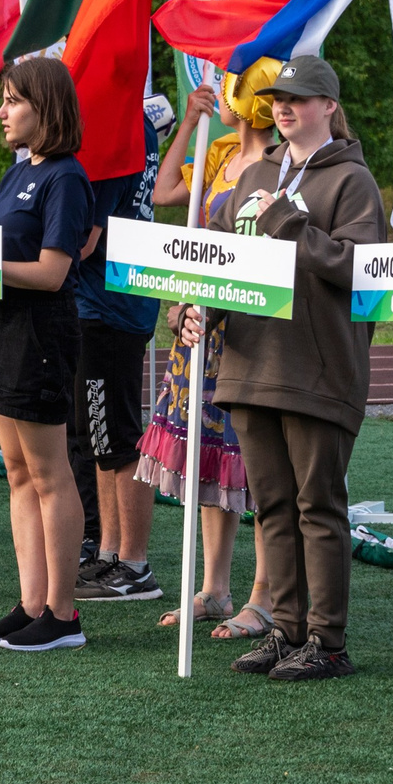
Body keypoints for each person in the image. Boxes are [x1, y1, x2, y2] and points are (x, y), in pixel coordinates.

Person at [196, 54, 387, 679]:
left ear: (329, 106)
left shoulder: (352, 181)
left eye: (299, 99)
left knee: (318, 505)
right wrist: (192, 308)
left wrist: (288, 223)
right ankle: (288, 629)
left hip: (318, 368)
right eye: (279, 99)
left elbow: (361, 268)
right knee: (273, 506)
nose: (284, 108)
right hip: (250, 362)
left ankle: (328, 642)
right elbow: (214, 255)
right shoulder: (255, 171)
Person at [0, 57, 98, 654]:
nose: (0, 112)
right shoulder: (23, 171)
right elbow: (3, 247)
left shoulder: (66, 176)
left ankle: (63, 616)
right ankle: (31, 604)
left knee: (48, 473)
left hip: (41, 330)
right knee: (18, 473)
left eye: (12, 100)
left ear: (46, 107)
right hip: (3, 325)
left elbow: (51, 271)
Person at [141, 76, 273, 637]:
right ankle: (215, 588)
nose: (217, 87)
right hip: (202, 332)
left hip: (252, 332)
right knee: (212, 461)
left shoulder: (280, 163)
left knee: (259, 465)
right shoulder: (219, 152)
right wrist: (190, 122)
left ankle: (264, 596)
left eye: (229, 82)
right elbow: (164, 192)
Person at [72, 91, 175, 605]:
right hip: (107, 300)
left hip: (110, 304)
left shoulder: (116, 127)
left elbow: (83, 239)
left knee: (116, 432)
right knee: (101, 434)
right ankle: (113, 554)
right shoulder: (126, 120)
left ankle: (134, 563)